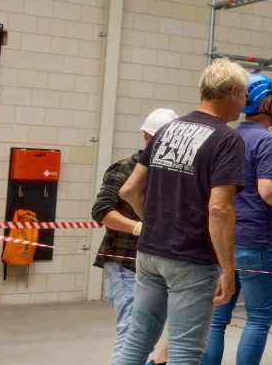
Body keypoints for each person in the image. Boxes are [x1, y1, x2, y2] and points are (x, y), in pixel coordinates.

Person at [116, 58, 250, 365]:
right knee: (185, 353)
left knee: (137, 340)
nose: (244, 104)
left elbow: (129, 190)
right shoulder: (227, 140)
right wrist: (228, 270)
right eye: (243, 95)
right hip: (192, 259)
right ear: (231, 92)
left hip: (150, 252)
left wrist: (156, 225)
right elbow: (219, 209)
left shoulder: (166, 131)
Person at [203, 74, 272, 365]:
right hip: (257, 244)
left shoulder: (228, 137)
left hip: (224, 242)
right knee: (259, 319)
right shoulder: (266, 141)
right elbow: (267, 190)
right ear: (266, 102)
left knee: (216, 320)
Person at [92, 108, 177, 365]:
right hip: (124, 263)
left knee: (149, 335)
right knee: (132, 332)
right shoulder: (125, 169)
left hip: (157, 267)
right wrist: (138, 227)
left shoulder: (172, 175)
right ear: (147, 139)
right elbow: (102, 210)